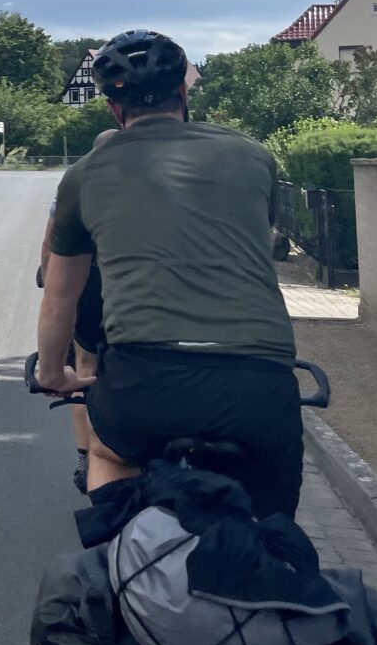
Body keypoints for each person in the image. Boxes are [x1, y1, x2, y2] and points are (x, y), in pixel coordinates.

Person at [34, 29, 304, 518]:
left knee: (106, 453)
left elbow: (59, 296)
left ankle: (118, 558)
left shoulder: (85, 175)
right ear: (183, 92)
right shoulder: (253, 155)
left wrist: (53, 373)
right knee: (272, 520)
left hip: (146, 379)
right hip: (259, 381)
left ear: (114, 110)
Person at [36, 128, 119, 493]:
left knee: (84, 366)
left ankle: (85, 455)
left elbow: (51, 242)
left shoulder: (80, 182)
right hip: (135, 286)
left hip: (91, 284)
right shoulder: (146, 180)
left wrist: (45, 275)